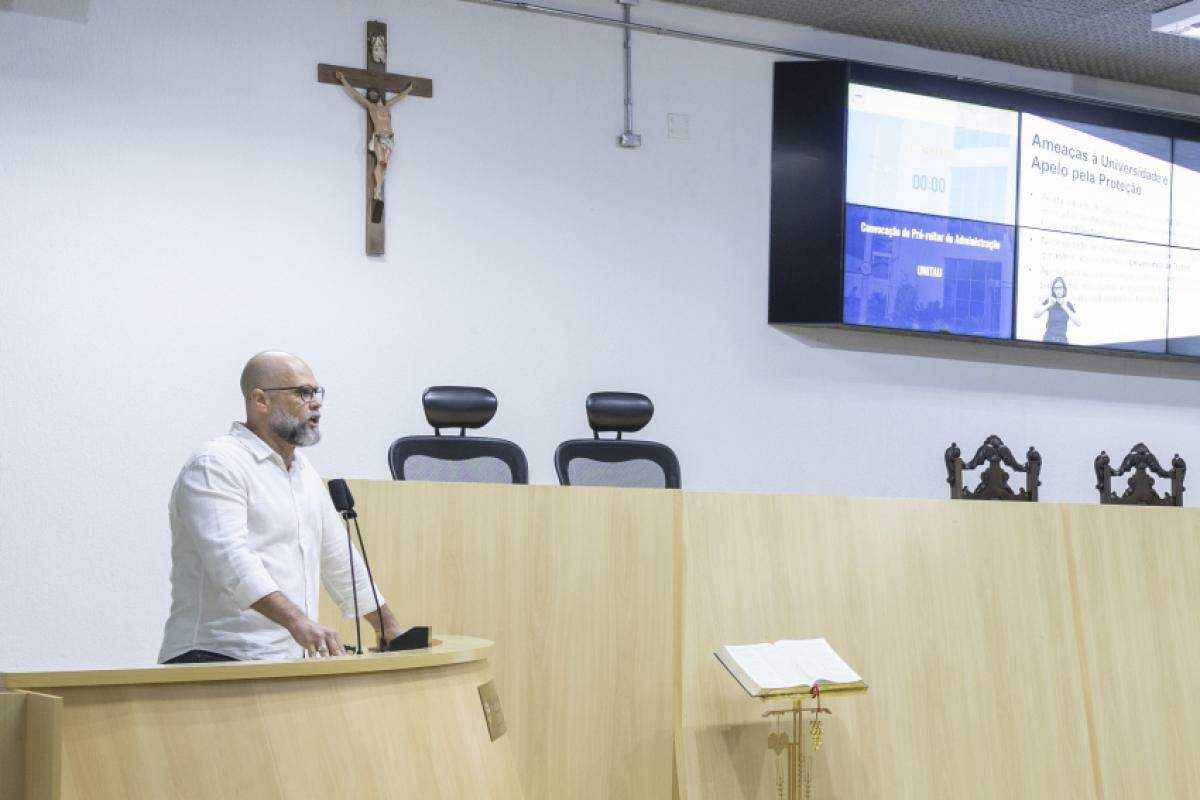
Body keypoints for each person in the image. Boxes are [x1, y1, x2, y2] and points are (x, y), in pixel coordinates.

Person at [158, 351, 403, 663]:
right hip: (217, 656)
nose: (316, 403)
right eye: (302, 393)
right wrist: (297, 622)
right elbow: (231, 562)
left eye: (316, 392)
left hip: (287, 660)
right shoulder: (215, 464)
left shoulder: (304, 472)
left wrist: (387, 626)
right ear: (261, 400)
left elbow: (339, 558)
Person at [1033, 276, 1080, 345]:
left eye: (1060, 288)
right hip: (1049, 338)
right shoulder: (1049, 301)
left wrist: (1065, 307)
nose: (1058, 290)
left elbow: (1078, 323)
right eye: (1056, 288)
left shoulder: (1068, 304)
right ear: (1053, 290)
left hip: (1062, 339)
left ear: (1064, 289)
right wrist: (1049, 305)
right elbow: (1035, 315)